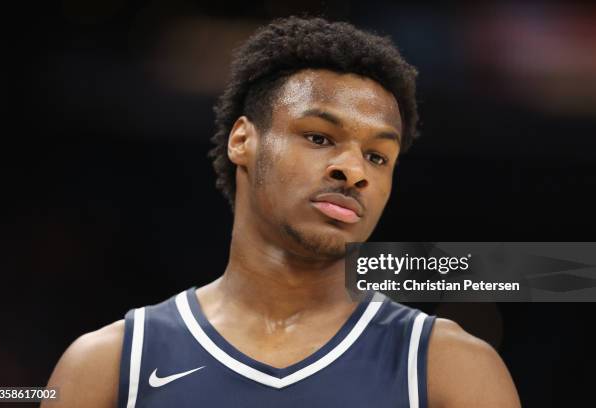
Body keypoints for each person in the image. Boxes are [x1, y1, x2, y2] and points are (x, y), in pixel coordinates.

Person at [44, 16, 521, 407]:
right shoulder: (106, 367)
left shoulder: (451, 368)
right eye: (319, 137)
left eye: (378, 156)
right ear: (242, 140)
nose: (353, 171)